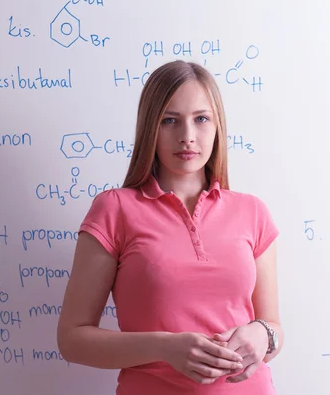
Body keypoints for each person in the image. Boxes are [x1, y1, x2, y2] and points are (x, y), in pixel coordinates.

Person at [57, 60, 283, 394]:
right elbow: (72, 339)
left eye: (201, 119)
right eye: (170, 121)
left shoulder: (253, 211)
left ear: (218, 126)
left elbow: (274, 328)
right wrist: (164, 347)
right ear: (150, 127)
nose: (187, 137)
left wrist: (263, 334)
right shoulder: (115, 209)